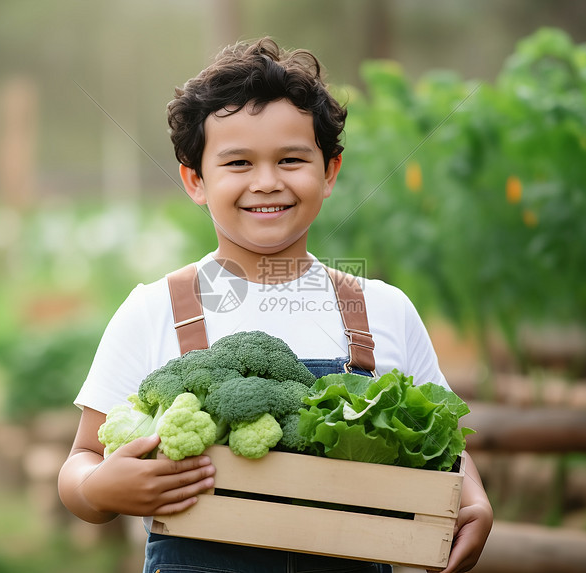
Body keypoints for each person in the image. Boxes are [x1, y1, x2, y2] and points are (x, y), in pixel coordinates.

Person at [58, 37, 492, 573]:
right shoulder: (154, 310)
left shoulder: (382, 309)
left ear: (329, 172)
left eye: (291, 160)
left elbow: (445, 442)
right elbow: (79, 461)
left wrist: (470, 494)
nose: (267, 182)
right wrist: (100, 488)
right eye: (238, 162)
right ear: (196, 180)